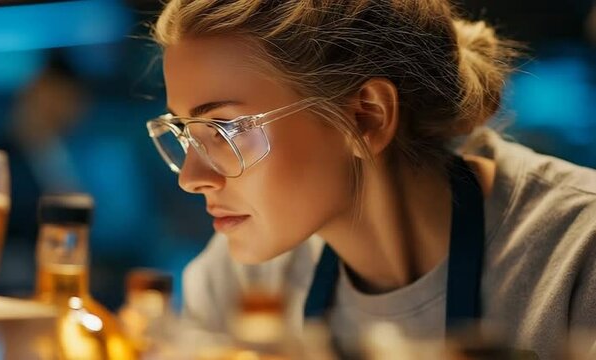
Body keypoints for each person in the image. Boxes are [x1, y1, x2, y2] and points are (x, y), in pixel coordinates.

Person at [144, 0, 596, 358]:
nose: (191, 178)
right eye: (185, 133)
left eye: (224, 129)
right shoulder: (239, 282)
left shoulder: (578, 257)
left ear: (366, 118)